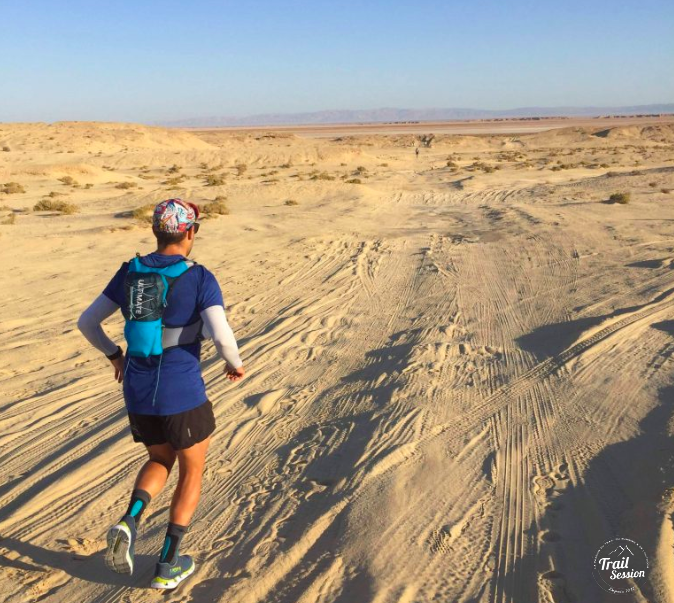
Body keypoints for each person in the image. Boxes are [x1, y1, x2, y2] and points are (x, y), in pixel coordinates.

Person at [77, 198, 245, 590]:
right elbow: (221, 335)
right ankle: (168, 564)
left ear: (157, 231)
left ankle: (130, 520)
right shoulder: (199, 277)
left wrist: (114, 355)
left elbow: (87, 322)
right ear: (190, 232)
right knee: (192, 468)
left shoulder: (129, 271)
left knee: (159, 457)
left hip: (137, 389)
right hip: (181, 391)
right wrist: (234, 364)